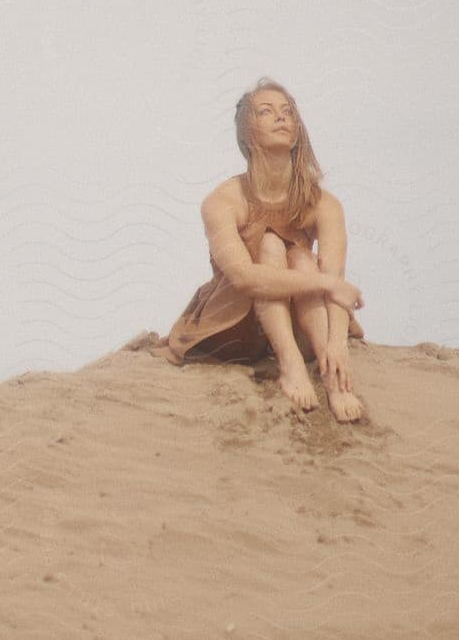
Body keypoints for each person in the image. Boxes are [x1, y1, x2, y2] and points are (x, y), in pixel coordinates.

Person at [151, 79, 367, 422]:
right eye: (266, 112)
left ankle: (334, 378)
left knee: (299, 257)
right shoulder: (223, 200)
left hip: (302, 321)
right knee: (269, 245)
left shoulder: (324, 203)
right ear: (248, 134)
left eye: (287, 113)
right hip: (237, 326)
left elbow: (336, 280)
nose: (280, 118)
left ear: (296, 132)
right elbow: (244, 278)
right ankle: (291, 364)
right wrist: (326, 285)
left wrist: (338, 344)